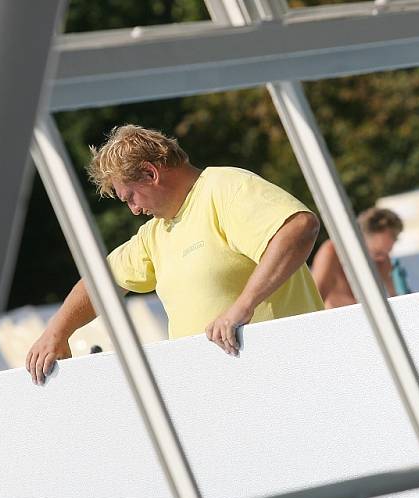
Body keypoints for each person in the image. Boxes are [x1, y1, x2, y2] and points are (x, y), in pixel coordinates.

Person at [26, 125, 324, 384]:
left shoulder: (225, 187)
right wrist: (56, 331)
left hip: (285, 371)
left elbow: (299, 227)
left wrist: (242, 307)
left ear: (149, 172)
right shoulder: (156, 233)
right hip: (223, 390)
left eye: (130, 197)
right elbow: (100, 282)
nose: (134, 210)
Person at [311, 207, 403, 309]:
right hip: (336, 320)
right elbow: (314, 301)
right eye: (378, 252)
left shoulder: (383, 260)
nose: (382, 258)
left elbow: (394, 298)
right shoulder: (332, 252)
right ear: (362, 236)